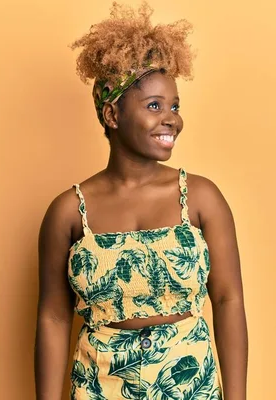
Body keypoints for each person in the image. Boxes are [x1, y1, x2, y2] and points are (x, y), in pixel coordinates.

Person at [35, 2, 248, 399]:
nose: (172, 119)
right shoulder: (67, 211)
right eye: (154, 106)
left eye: (175, 107)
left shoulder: (201, 198)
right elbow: (52, 317)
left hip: (190, 387)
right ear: (112, 115)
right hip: (99, 388)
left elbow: (228, 298)